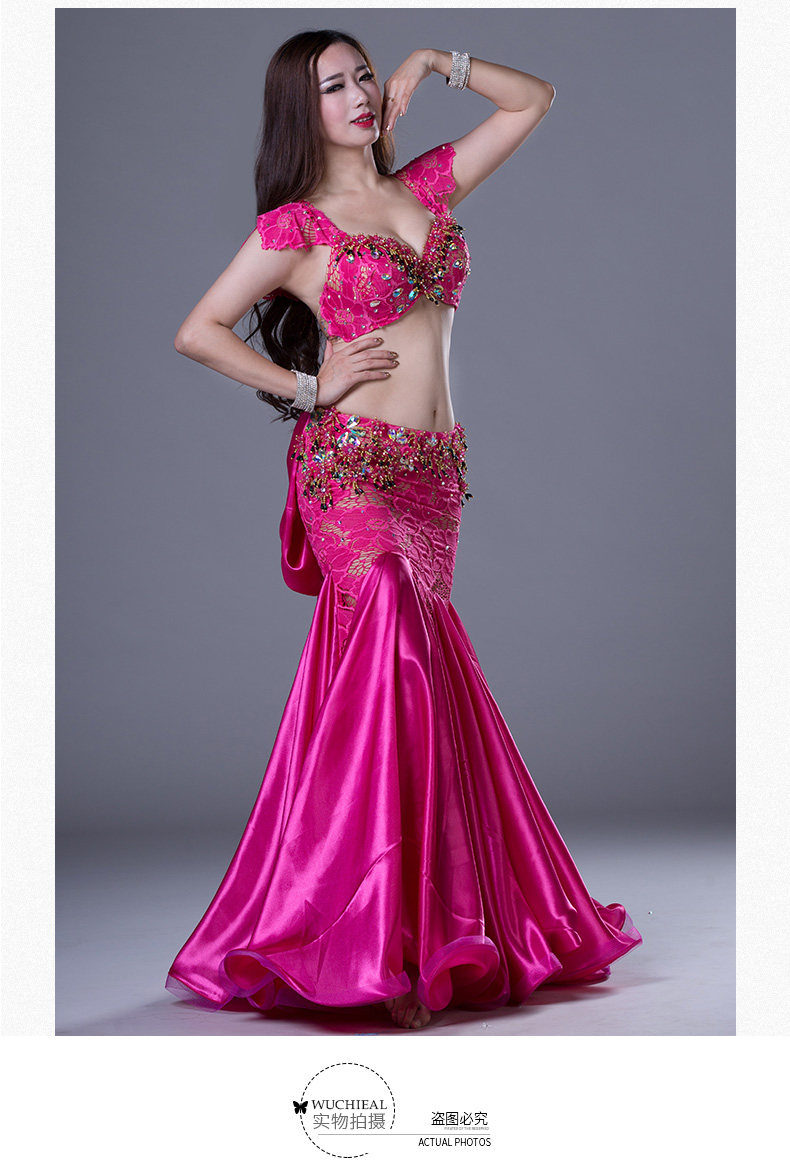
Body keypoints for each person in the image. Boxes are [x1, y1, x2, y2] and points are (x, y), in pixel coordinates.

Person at [165, 29, 642, 1031]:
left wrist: (435, 62)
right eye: (331, 87)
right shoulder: (298, 225)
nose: (357, 95)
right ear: (300, 111)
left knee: (414, 687)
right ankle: (370, 943)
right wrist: (308, 385)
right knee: (389, 635)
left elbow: (534, 100)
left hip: (432, 478)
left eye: (364, 76)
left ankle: (428, 928)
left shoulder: (425, 187)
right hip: (349, 469)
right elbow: (197, 330)